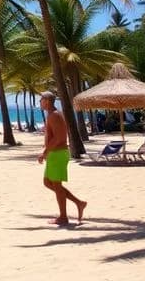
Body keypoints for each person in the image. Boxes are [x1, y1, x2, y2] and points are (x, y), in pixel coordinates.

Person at [38, 92, 86, 225]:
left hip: (58, 154)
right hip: (55, 153)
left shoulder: (54, 116)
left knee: (57, 185)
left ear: (47, 100)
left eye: (41, 99)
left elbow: (59, 138)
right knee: (48, 182)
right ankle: (79, 203)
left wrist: (45, 152)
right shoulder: (52, 115)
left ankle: (63, 217)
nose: (40, 101)